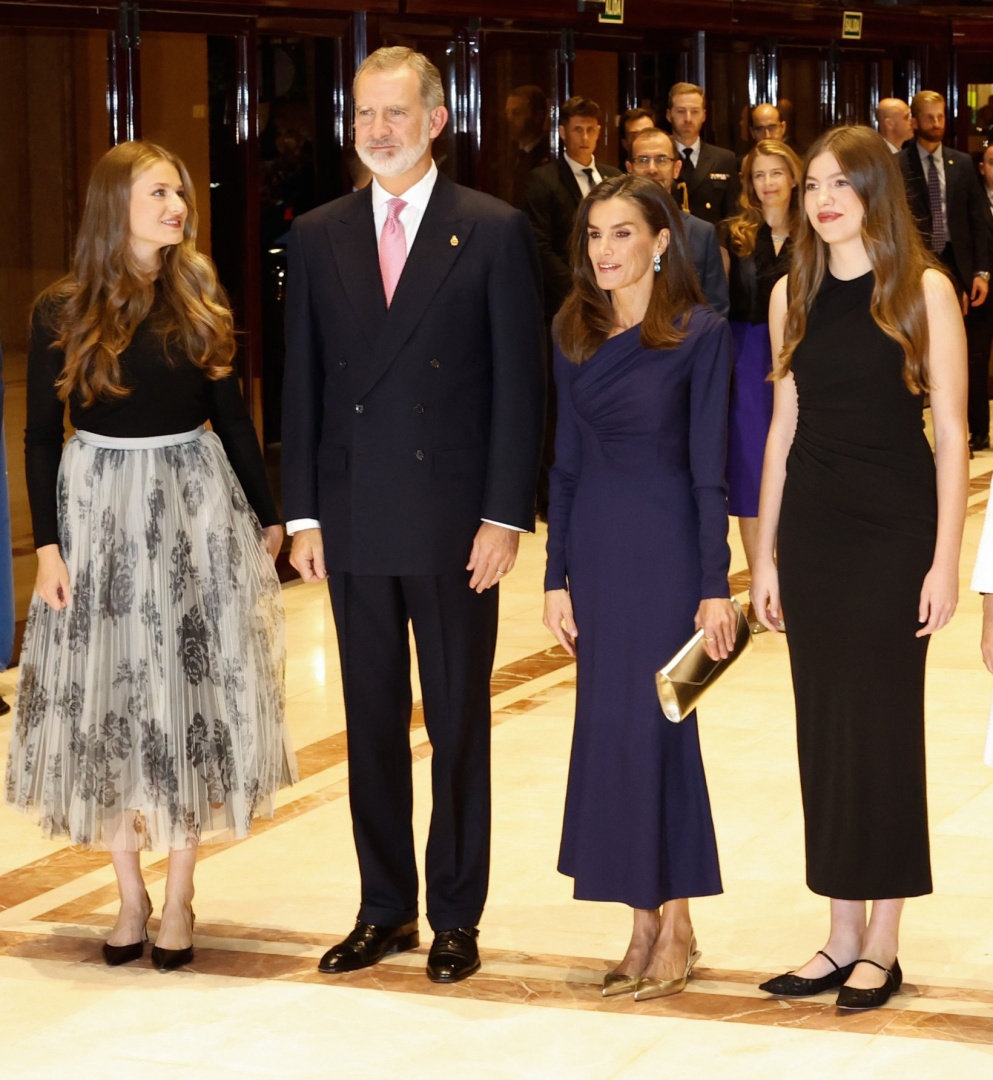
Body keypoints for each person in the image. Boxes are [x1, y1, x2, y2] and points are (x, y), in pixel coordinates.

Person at [282, 47, 544, 985]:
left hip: (452, 522)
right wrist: (302, 513)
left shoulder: (494, 229)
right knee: (369, 721)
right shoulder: (317, 235)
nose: (376, 131)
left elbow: (521, 387)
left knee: (460, 725)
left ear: (436, 120)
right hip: (351, 518)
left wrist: (504, 513)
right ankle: (385, 908)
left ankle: (457, 915)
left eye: (394, 114)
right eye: (363, 115)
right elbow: (304, 384)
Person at [4, 140, 294, 971]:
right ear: (114, 207)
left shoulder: (197, 293)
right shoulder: (61, 308)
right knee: (114, 705)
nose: (177, 205)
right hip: (97, 509)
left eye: (178, 194)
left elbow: (232, 416)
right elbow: (35, 437)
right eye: (159, 192)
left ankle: (178, 897)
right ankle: (130, 894)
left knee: (186, 697)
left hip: (190, 505)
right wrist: (49, 549)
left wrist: (266, 516)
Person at [752, 125, 967, 1011]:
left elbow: (951, 431)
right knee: (823, 729)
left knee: (881, 730)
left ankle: (883, 939)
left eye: (842, 183)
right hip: (813, 533)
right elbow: (780, 429)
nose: (823, 198)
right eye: (812, 185)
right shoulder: (789, 293)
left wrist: (945, 558)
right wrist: (760, 553)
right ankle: (839, 934)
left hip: (892, 533)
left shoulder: (921, 290)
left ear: (877, 192)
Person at [543, 174, 735, 1002]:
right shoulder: (571, 331)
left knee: (663, 730)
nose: (604, 251)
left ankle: (679, 922)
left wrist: (711, 583)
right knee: (611, 738)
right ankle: (639, 921)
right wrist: (555, 579)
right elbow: (564, 462)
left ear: (663, 242)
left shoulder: (701, 334)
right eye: (593, 235)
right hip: (597, 553)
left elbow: (707, 473)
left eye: (622, 234)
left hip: (664, 555)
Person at [525, 95, 622, 518]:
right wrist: (584, 288)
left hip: (615, 307)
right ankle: (551, 496)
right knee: (560, 399)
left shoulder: (614, 178)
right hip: (566, 305)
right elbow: (539, 247)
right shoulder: (542, 181)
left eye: (592, 129)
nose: (585, 136)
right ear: (563, 132)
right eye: (577, 129)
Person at [724, 138, 802, 623]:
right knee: (752, 473)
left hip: (800, 355)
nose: (768, 183)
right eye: (759, 175)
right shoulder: (732, 234)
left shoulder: (817, 230)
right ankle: (760, 583)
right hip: (747, 360)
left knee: (798, 468)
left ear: (794, 177)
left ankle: (793, 580)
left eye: (777, 173)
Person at [899, 90, 990, 452]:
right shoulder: (899, 165)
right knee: (919, 352)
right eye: (929, 117)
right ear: (914, 121)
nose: (936, 124)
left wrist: (981, 272)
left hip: (959, 264)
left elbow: (979, 221)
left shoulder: (962, 163)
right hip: (917, 264)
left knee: (967, 353)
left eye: (940, 117)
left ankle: (975, 430)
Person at [626, 126, 729, 317]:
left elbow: (716, 309)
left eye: (661, 159)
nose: (652, 169)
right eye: (643, 160)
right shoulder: (613, 231)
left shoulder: (702, 233)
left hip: (688, 342)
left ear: (677, 169)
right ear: (629, 169)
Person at [665, 81, 739, 227]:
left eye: (695, 111)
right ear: (669, 115)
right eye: (681, 111)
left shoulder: (724, 159)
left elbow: (733, 214)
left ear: (704, 115)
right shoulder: (659, 158)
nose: (688, 119)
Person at [504, 85, 550, 208]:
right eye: (507, 113)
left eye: (516, 113)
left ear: (538, 116)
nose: (509, 120)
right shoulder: (510, 155)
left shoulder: (547, 157)